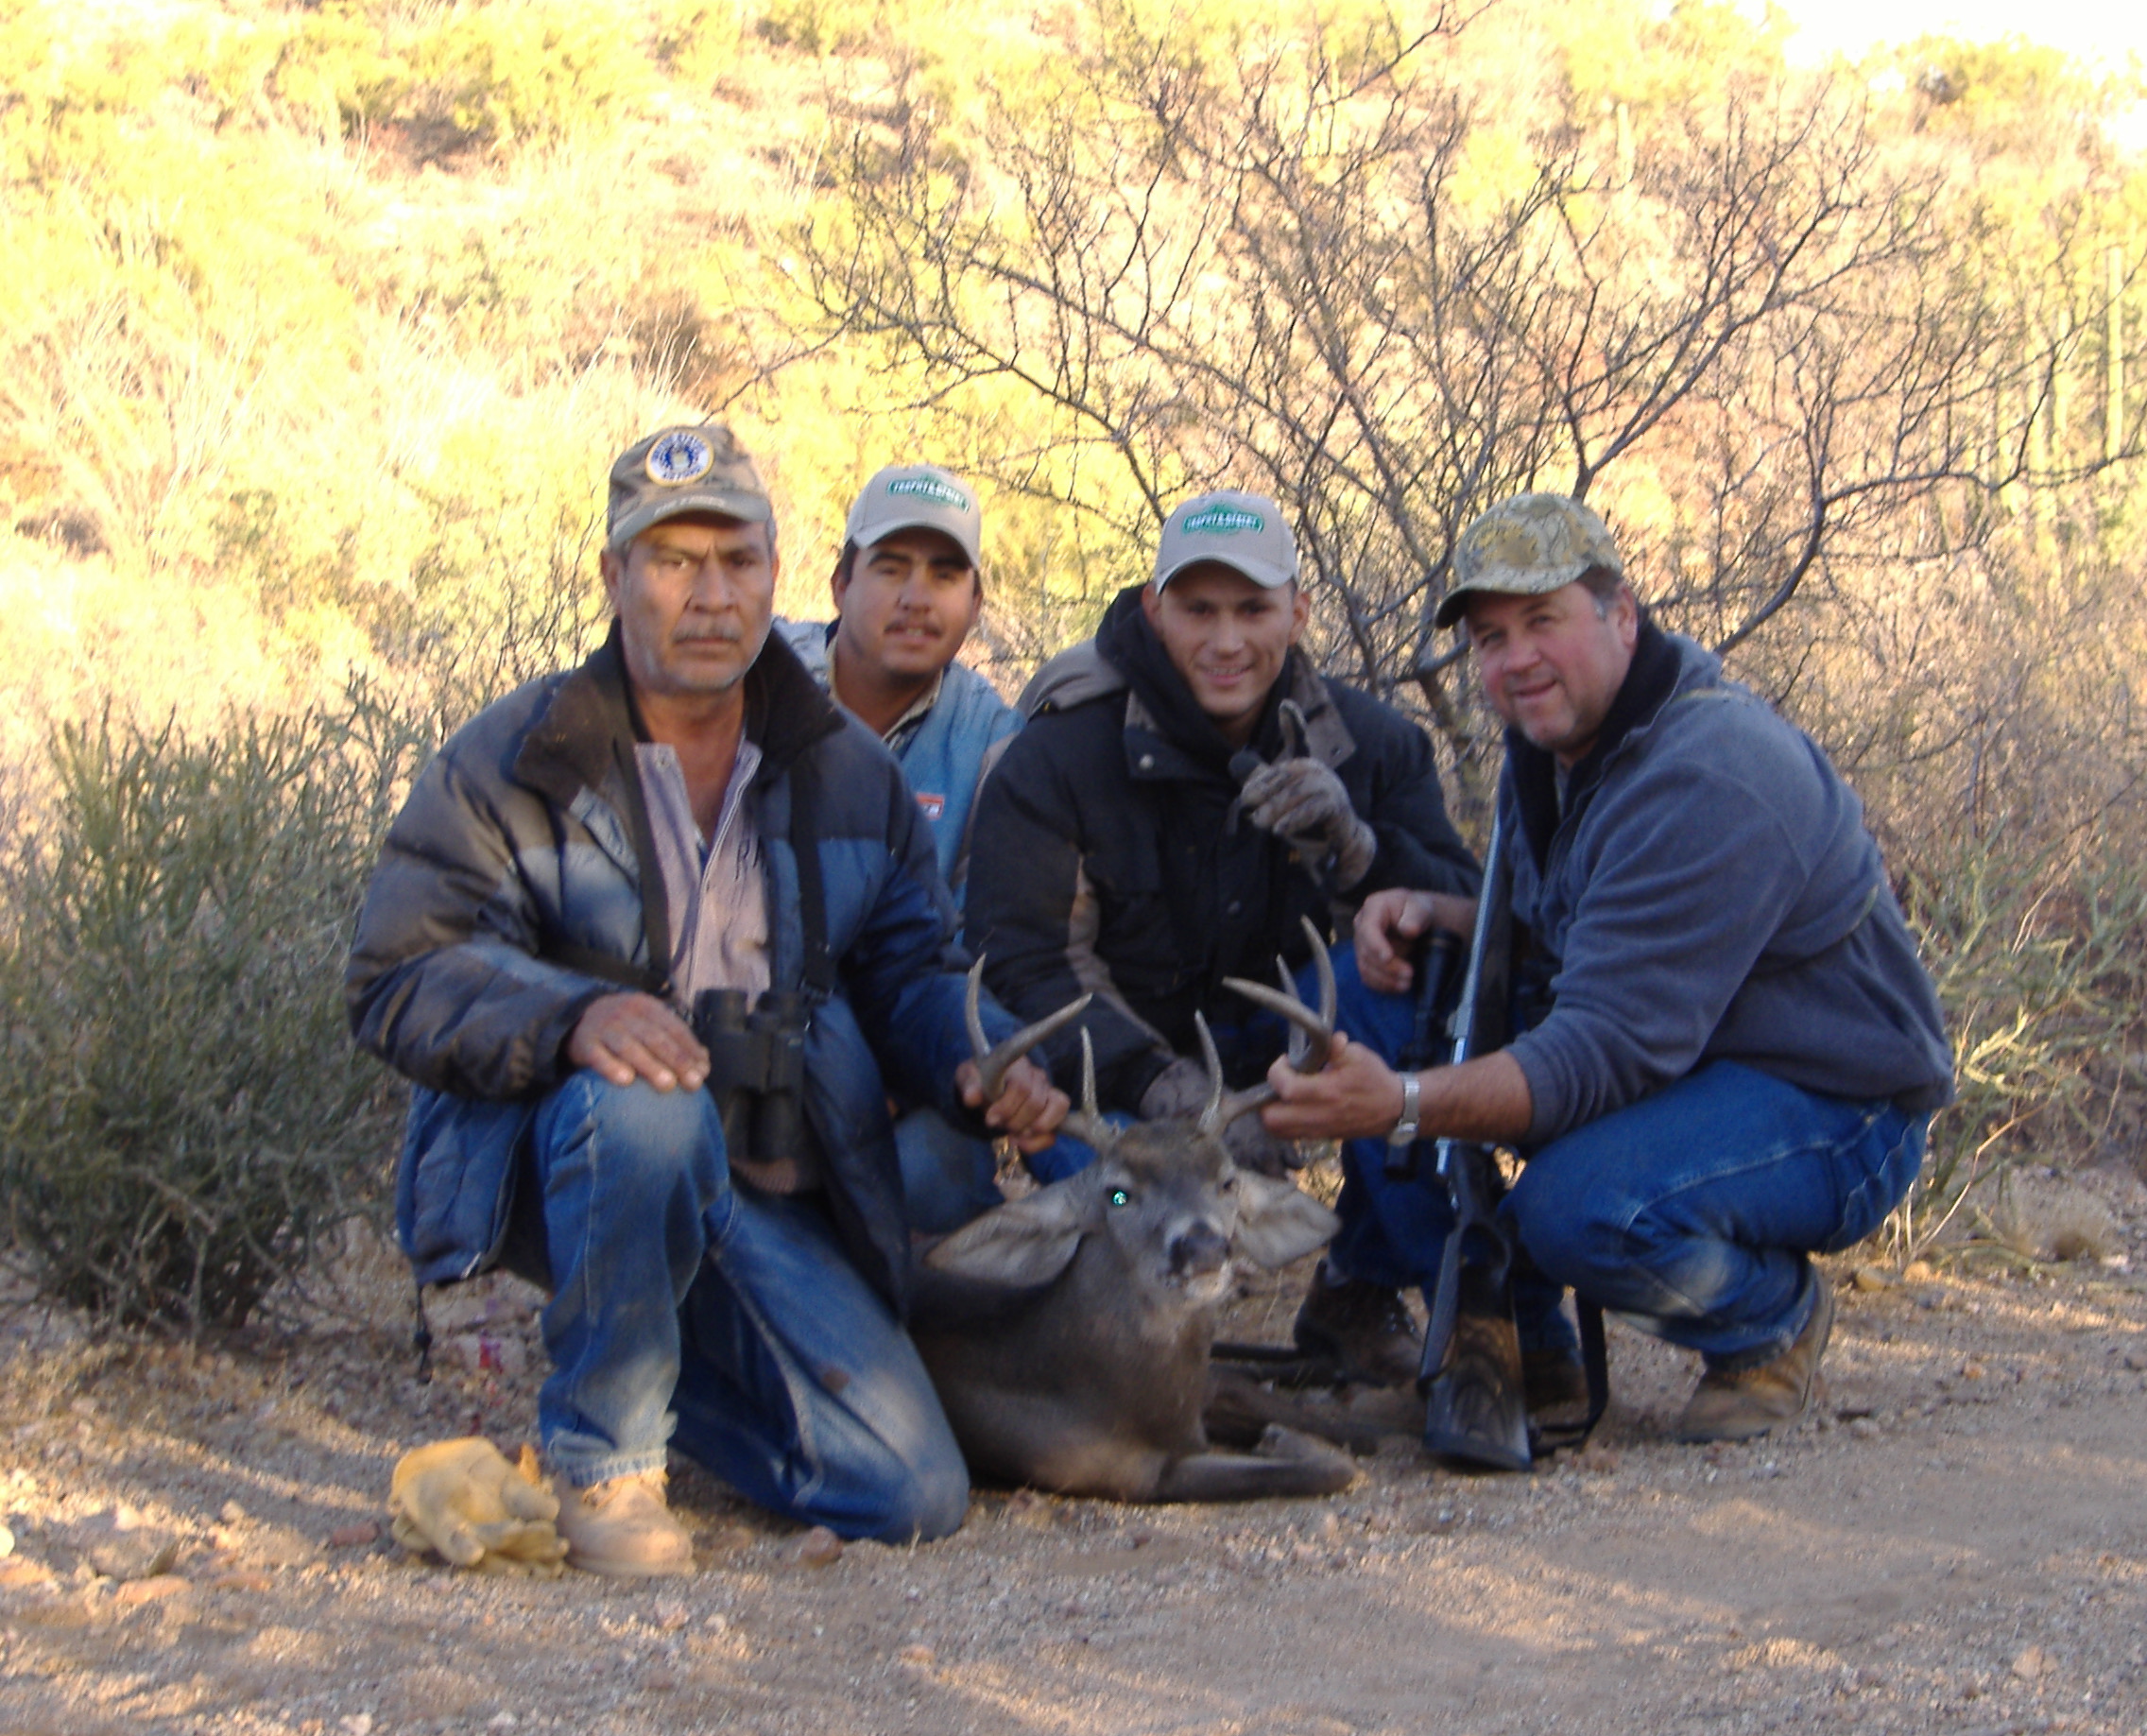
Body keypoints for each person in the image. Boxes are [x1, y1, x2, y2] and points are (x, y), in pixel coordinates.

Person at [346, 423, 1067, 1577]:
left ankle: (653, 1372)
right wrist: (571, 1017)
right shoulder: (515, 757)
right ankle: (602, 1460)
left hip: (764, 1177)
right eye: (673, 560)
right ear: (614, 576)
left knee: (911, 1492)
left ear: (777, 577)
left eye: (736, 561)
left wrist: (975, 1063)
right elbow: (397, 973)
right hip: (568, 1155)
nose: (709, 595)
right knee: (643, 1102)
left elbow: (912, 975)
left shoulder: (849, 770)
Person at [1260, 493, 1953, 1440]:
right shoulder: (1553, 743)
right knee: (1361, 998)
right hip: (1688, 1057)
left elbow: (1601, 1054)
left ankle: (1768, 1320)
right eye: (1492, 638)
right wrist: (1442, 914)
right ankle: (1520, 1345)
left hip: (1834, 1105)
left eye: (1543, 621)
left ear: (1621, 616)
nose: (1516, 660)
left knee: (1582, 1208)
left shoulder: (1710, 771)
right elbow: (1577, 934)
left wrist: (1403, 1105)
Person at [963, 489, 1481, 1384]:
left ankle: (1373, 1287)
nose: (1227, 640)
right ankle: (1120, 1345)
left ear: (1299, 612)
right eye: (1198, 610)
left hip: (1295, 1064)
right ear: (1155, 608)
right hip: (1132, 1068)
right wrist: (1172, 1094)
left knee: (1407, 988)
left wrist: (1357, 851)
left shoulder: (1376, 745)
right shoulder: (1062, 756)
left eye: (1253, 609)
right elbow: (1022, 953)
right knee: (1104, 1185)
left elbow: (1466, 913)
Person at [771, 463, 1021, 902]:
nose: (916, 600)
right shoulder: (759, 682)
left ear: (976, 604)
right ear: (840, 586)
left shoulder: (993, 745)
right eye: (890, 569)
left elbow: (976, 935)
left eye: (944, 576)